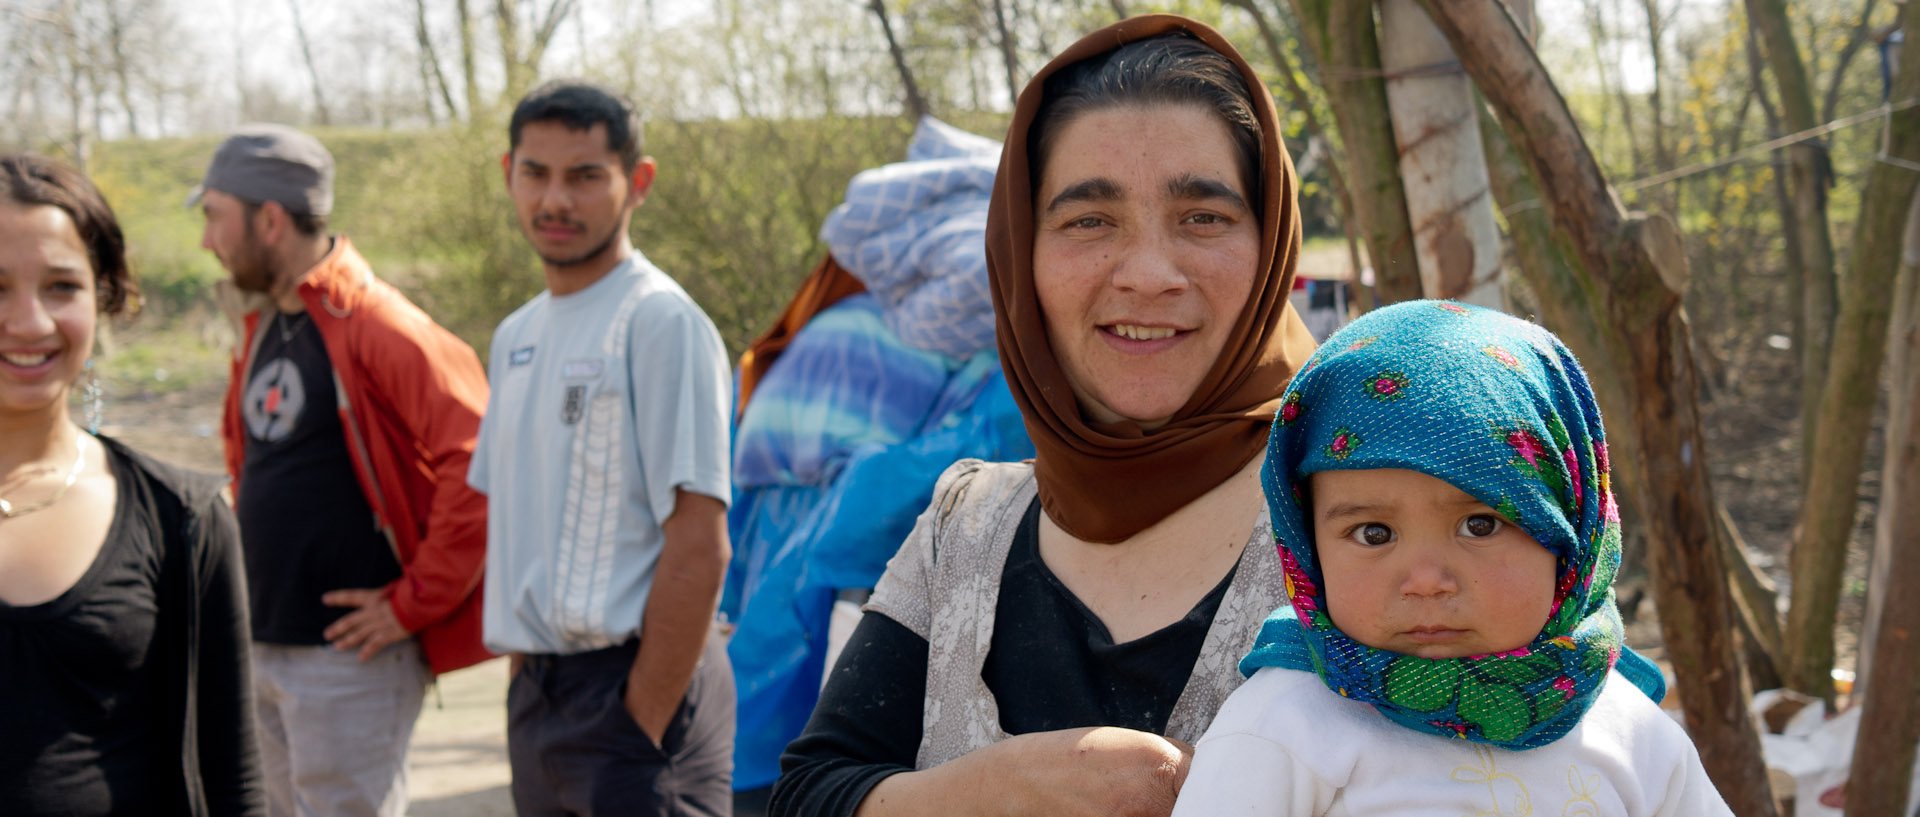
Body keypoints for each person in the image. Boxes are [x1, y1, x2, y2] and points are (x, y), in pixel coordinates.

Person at [773, 15, 1319, 817]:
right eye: (1089, 220)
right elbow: (809, 792)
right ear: (1019, 253)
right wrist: (984, 792)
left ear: (1272, 244)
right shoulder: (965, 526)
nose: (1148, 273)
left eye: (1203, 217)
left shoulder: (1356, 517)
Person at [1169, 301, 1733, 816]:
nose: (1425, 582)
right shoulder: (1287, 726)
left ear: (1569, 532)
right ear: (1307, 546)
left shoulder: (1634, 734)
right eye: (1373, 533)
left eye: (1480, 525)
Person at [199, 124, 493, 817]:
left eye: (215, 215)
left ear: (269, 219)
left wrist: (413, 602)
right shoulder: (266, 321)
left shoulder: (380, 324)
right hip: (262, 643)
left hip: (349, 661)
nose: (207, 239)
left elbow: (480, 464)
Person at [469, 80, 735, 816]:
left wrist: (637, 717)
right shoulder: (515, 335)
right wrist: (531, 678)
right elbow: (517, 525)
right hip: (541, 699)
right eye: (536, 173)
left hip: (638, 699)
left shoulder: (659, 322)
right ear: (509, 174)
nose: (556, 199)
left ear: (636, 182)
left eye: (585, 175)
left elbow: (700, 546)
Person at [0, 153, 264, 816]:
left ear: (107, 295)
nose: (30, 322)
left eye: (61, 285)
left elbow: (234, 780)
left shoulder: (184, 519)